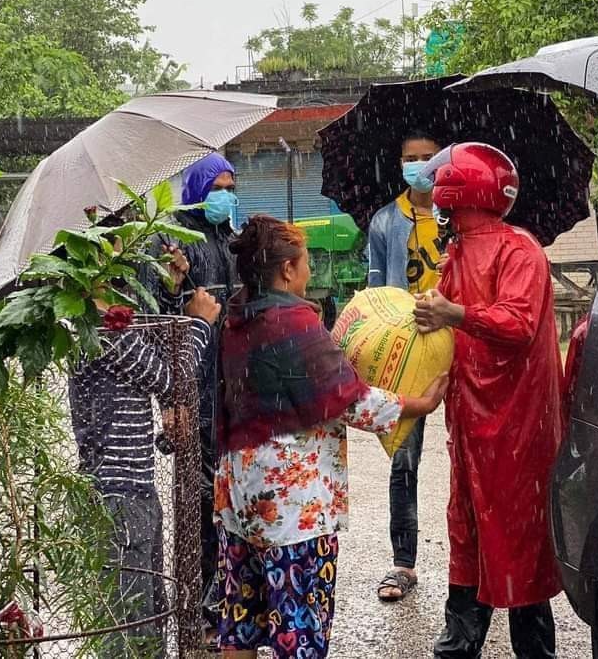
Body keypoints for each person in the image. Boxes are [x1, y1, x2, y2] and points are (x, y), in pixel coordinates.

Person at [213, 215, 448, 659]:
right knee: (299, 625)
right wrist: (422, 404)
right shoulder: (293, 322)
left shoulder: (236, 316)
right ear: (286, 270)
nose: (310, 272)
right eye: (305, 263)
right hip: (291, 505)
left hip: (239, 494)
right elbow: (349, 400)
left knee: (241, 618)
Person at [413, 142, 566, 659]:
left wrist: (454, 314)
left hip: (518, 422)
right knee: (470, 525)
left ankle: (533, 647)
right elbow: (449, 325)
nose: (437, 202)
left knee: (517, 532)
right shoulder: (456, 251)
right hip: (471, 417)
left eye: (441, 191)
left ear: (457, 191)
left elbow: (518, 324)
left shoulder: (518, 249)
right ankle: (460, 640)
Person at [68, 251, 222, 658]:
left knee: (148, 615)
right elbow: (172, 380)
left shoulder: (112, 318)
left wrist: (169, 292)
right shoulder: (98, 325)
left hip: (134, 487)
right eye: (115, 241)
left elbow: (157, 349)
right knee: (129, 621)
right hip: (117, 492)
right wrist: (200, 324)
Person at [139, 151, 240, 624]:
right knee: (199, 500)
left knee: (227, 495)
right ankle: (200, 600)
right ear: (198, 190)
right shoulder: (171, 241)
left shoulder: (227, 238)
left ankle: (223, 591)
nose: (225, 197)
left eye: (229, 188)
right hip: (191, 382)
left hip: (228, 385)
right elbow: (154, 317)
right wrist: (170, 400)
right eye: (216, 188)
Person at [366, 128, 445, 603]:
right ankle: (403, 563)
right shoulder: (383, 223)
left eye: (428, 158)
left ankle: (479, 563)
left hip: (461, 347)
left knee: (474, 458)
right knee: (404, 460)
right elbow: (376, 294)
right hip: (408, 354)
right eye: (410, 158)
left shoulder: (460, 217)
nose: (419, 166)